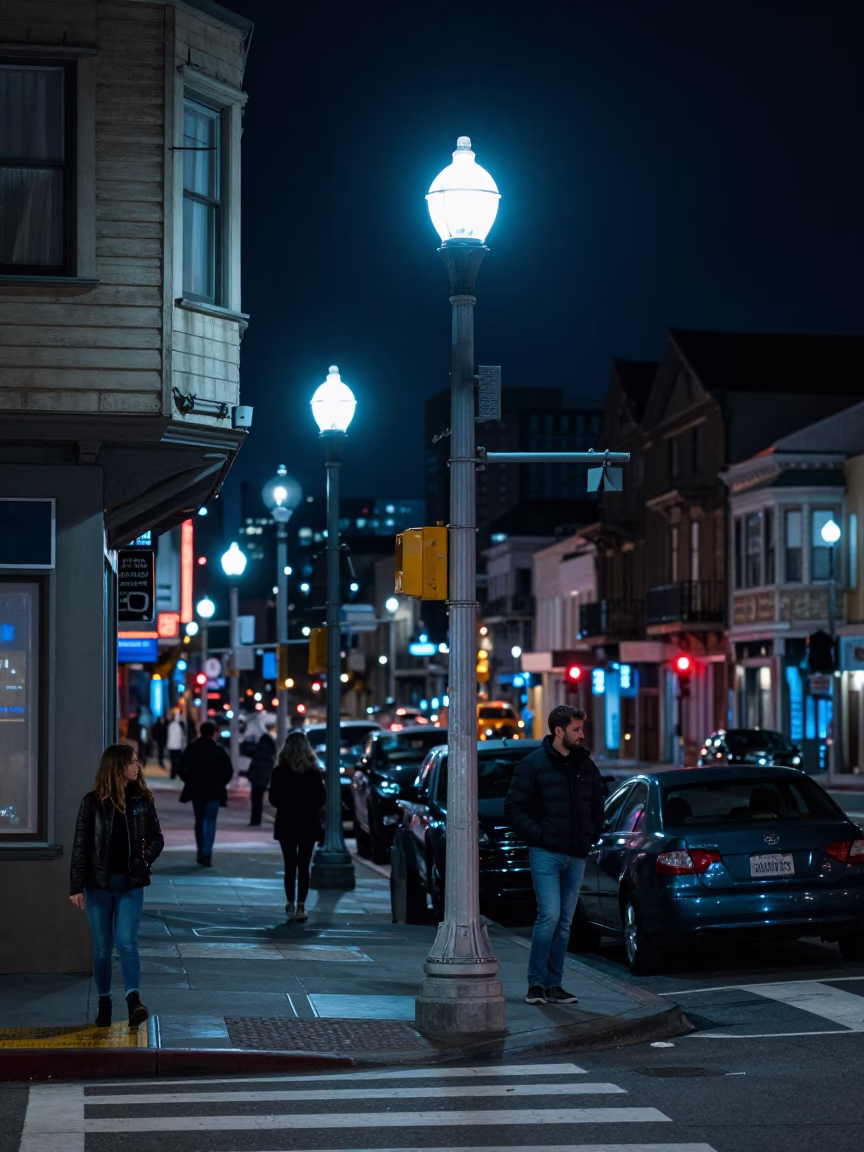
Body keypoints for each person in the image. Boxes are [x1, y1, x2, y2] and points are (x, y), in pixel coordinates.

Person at [505, 705, 604, 1006]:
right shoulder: (532, 765)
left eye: (581, 729)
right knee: (549, 916)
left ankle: (554, 984)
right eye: (576, 729)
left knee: (565, 922)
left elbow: (597, 805)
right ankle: (536, 984)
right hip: (547, 853)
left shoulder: (585, 765)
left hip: (575, 854)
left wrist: (591, 835)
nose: (582, 734)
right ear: (559, 731)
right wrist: (541, 837)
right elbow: (514, 808)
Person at [69, 743, 164, 1028]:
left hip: (131, 884)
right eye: (133, 762)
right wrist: (75, 886)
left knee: (126, 943)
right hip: (97, 886)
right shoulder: (92, 802)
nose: (137, 767)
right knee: (102, 948)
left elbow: (157, 837)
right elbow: (80, 846)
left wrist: (144, 857)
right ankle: (104, 1003)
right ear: (118, 767)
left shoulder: (142, 800)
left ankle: (134, 1001)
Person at [268, 730, 325, 922]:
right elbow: (321, 799)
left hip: (287, 821)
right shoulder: (313, 772)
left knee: (289, 865)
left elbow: (273, 798)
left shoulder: (279, 771)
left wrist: (287, 804)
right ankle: (301, 905)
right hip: (308, 822)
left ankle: (290, 902)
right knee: (304, 865)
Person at [178, 721, 233, 866]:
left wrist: (189, 780)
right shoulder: (219, 750)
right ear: (213, 733)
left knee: (199, 821)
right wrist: (221, 783)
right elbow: (229, 771)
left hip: (197, 790)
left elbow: (181, 767)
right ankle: (207, 852)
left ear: (200, 731)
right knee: (211, 821)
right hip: (214, 791)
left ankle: (200, 850)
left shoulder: (192, 748)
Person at [246, 728, 277, 826]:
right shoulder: (271, 752)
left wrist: (249, 775)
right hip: (264, 780)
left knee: (255, 800)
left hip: (256, 779)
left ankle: (254, 820)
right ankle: (257, 820)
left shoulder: (259, 751)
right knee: (259, 801)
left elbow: (253, 765)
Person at [166, 712, 186, 779]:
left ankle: (173, 774)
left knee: (172, 761)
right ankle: (177, 773)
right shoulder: (180, 726)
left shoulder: (171, 725)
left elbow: (168, 735)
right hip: (178, 746)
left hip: (171, 746)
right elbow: (181, 737)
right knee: (178, 761)